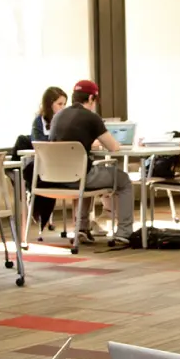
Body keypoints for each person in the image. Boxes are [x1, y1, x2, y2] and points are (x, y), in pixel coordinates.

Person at [46, 79, 135, 244]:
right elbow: (114, 148)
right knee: (123, 180)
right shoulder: (92, 118)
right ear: (92, 99)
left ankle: (82, 228)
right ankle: (124, 231)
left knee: (84, 171)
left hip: (54, 179)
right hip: (79, 179)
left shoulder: (58, 116)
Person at [26, 86, 68, 232]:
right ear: (50, 104)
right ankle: (39, 212)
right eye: (59, 104)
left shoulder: (66, 120)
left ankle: (41, 214)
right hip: (44, 162)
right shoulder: (39, 122)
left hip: (60, 163)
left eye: (64, 104)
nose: (63, 108)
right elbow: (39, 144)